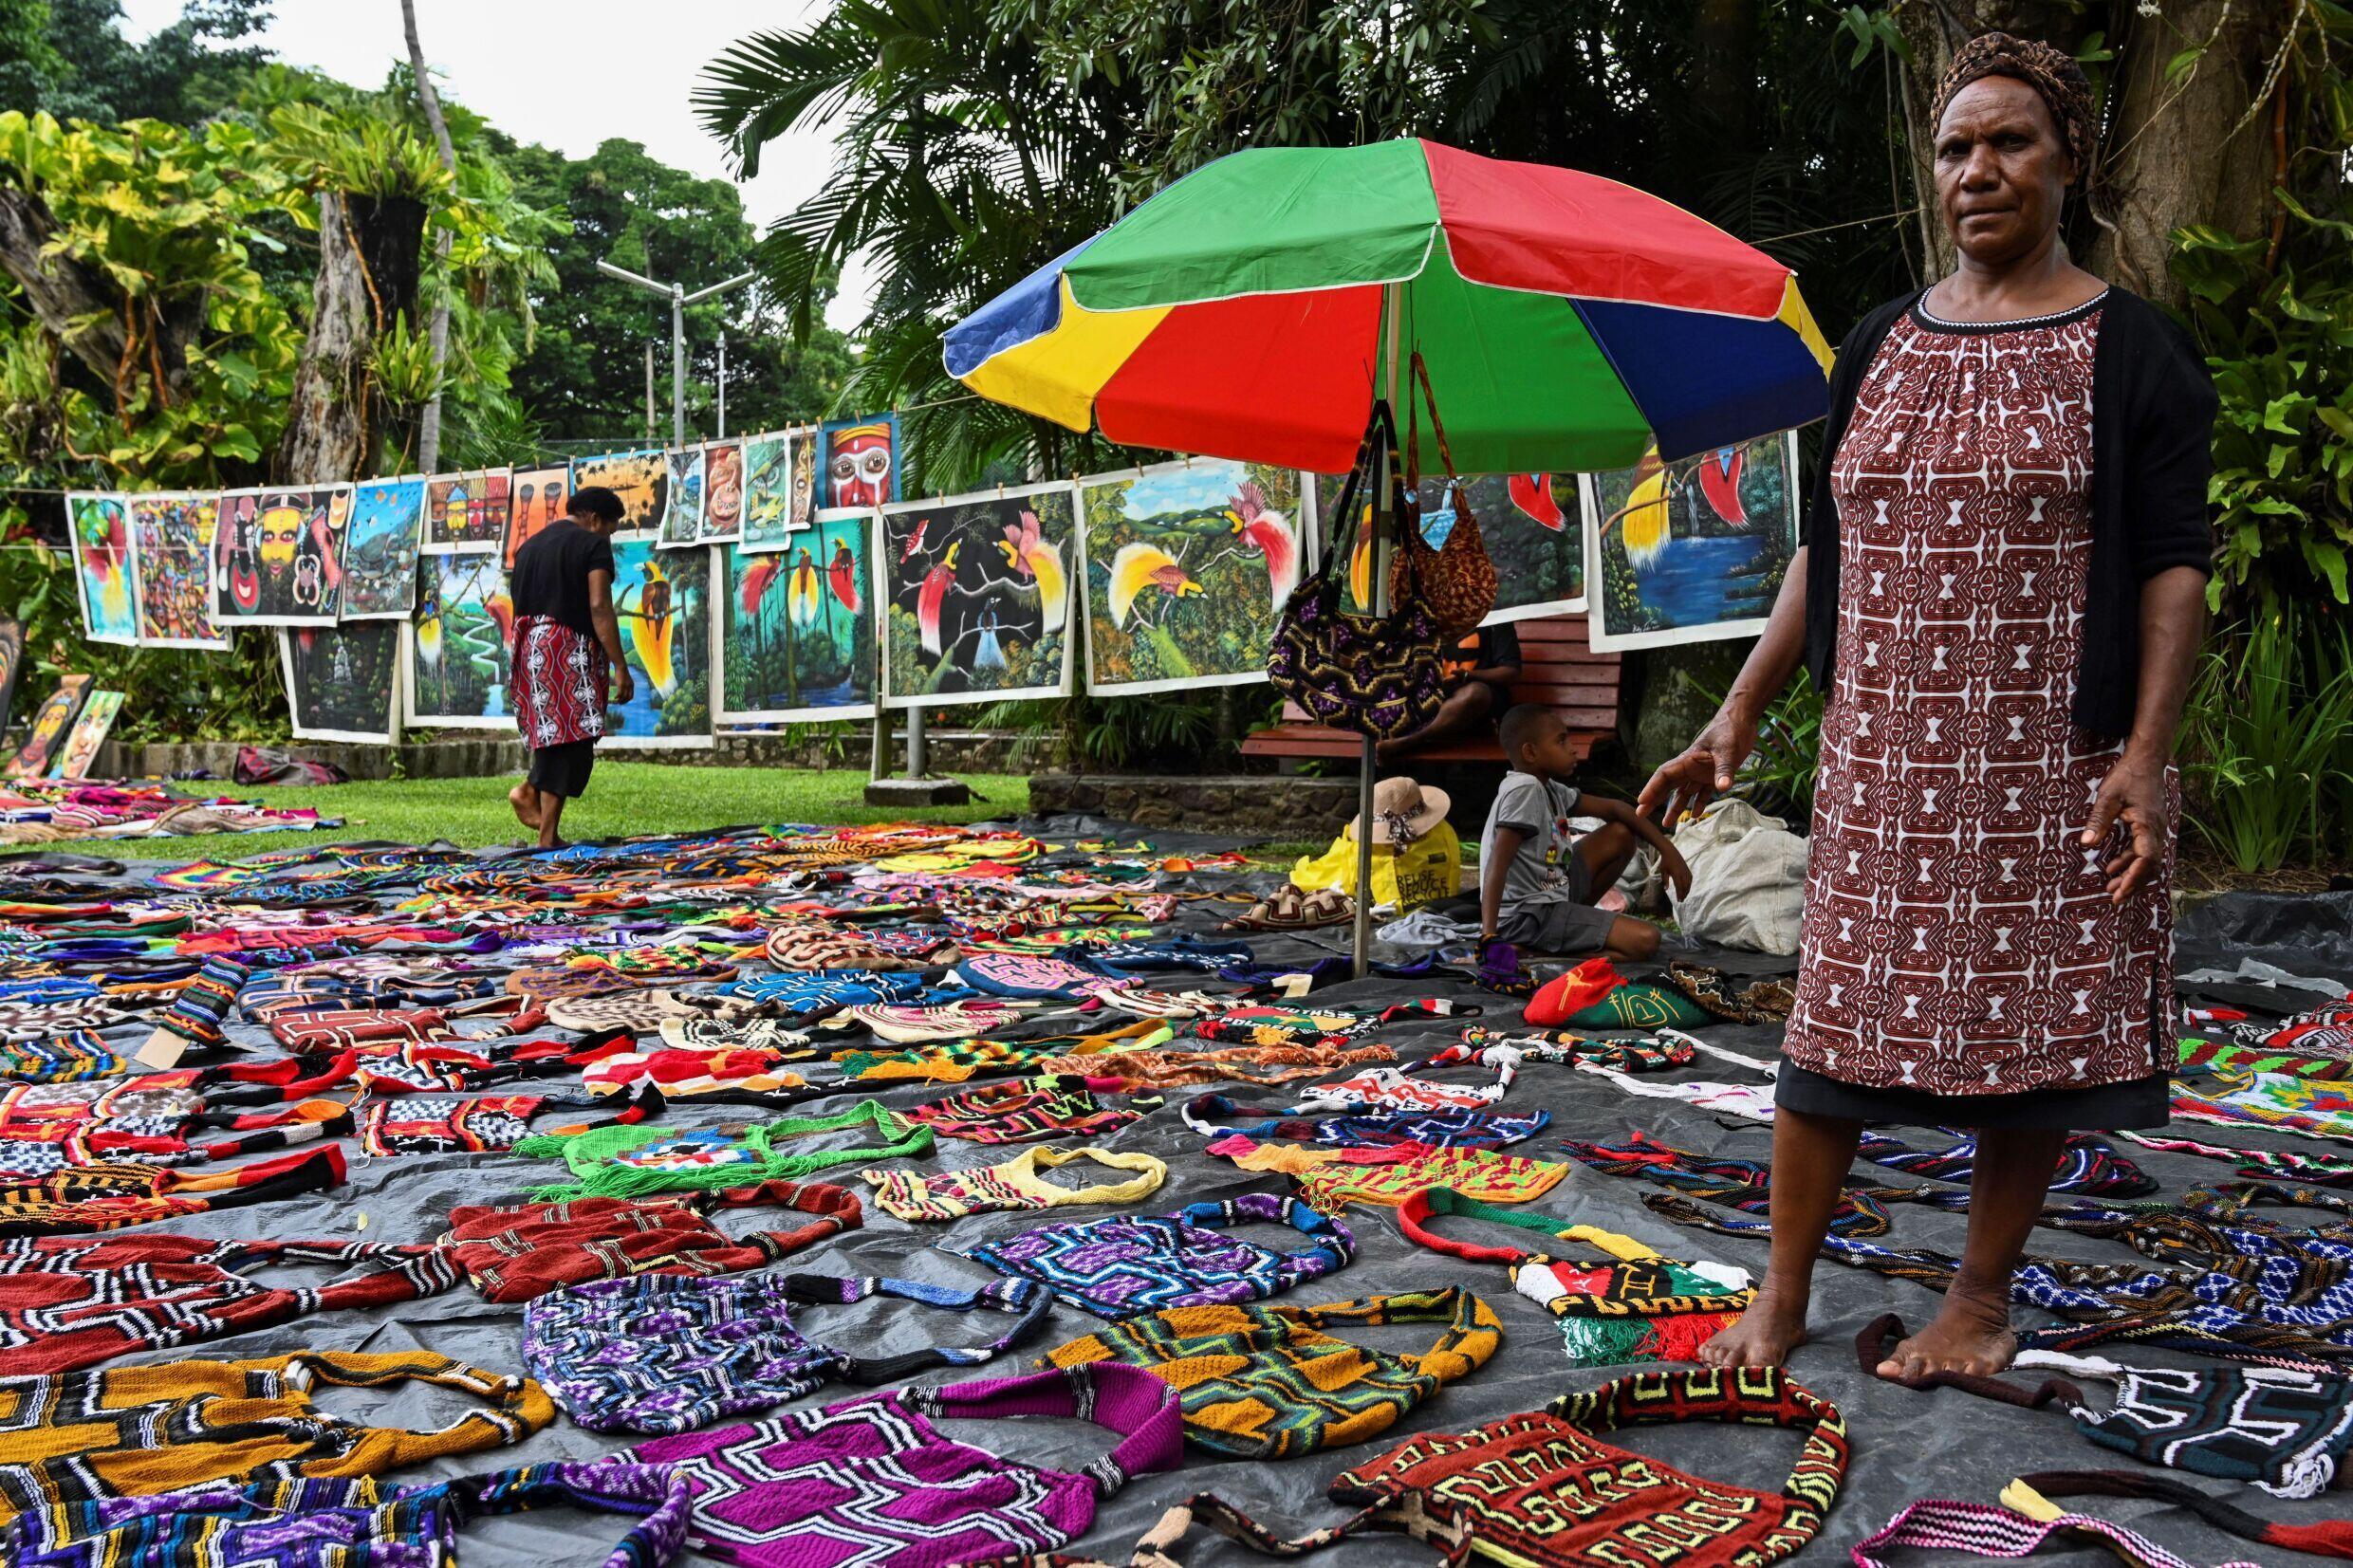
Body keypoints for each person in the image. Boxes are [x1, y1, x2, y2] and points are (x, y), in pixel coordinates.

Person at [1639, 33, 2214, 1379]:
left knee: (2037, 1045)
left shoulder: (2135, 353)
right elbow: (1822, 551)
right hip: (1886, 769)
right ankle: (1780, 1302)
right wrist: (1735, 719)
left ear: (2068, 159)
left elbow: (2174, 566)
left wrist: (2142, 756)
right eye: (1956, 147)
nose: (1979, 169)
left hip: (2052, 767)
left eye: (2011, 140)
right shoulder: (1881, 346)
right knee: (1830, 1030)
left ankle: (1978, 1304)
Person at [1482, 704, 1689, 963]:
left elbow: (1615, 809)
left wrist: (1668, 850)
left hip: (1553, 895)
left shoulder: (1548, 788)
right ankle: (1534, 953)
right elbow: (1496, 865)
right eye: (1561, 741)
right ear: (1530, 752)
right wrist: (1488, 939)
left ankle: (1574, 926)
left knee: (1621, 835)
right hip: (1528, 917)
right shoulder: (1524, 790)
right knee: (1645, 940)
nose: (1572, 748)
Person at [508, 486, 634, 850]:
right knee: (574, 738)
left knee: (555, 735)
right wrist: (620, 667)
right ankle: (544, 830)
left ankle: (533, 796)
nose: (608, 536)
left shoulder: (529, 547)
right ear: (595, 519)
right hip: (568, 649)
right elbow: (599, 605)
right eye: (610, 528)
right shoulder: (592, 544)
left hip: (529, 647)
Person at [1376, 622, 1520, 763]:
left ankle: (1406, 740)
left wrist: (1468, 675)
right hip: (1432, 701)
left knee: (1476, 693)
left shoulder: (1497, 619)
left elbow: (1511, 672)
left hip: (1477, 709)